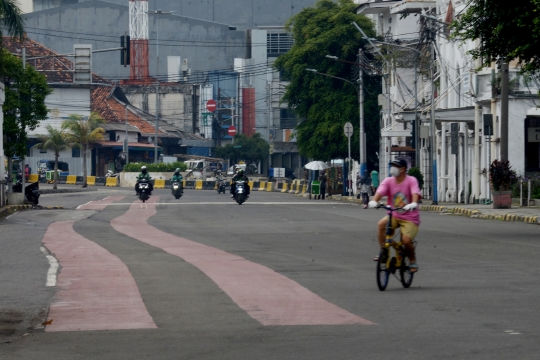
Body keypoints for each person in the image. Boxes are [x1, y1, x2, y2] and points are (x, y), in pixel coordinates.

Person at [369, 158, 421, 273]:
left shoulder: (411, 180)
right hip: (394, 215)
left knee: (406, 240)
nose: (392, 168)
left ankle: (412, 260)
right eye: (392, 166)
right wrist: (374, 201)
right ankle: (384, 252)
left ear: (402, 169)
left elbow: (415, 193)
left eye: (395, 166)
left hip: (410, 218)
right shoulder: (388, 181)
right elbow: (380, 191)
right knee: (381, 225)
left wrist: (413, 203)